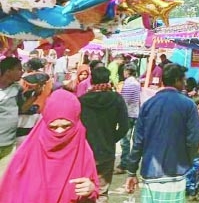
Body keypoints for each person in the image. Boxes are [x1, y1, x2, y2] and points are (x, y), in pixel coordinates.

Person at [0, 89, 99, 203]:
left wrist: (90, 189)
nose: (60, 132)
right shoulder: (25, 155)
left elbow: (93, 190)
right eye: (53, 127)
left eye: (66, 126)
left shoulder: (84, 153)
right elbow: (9, 194)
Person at [125, 64, 199, 203]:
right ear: (177, 80)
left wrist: (131, 171)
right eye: (183, 80)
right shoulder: (188, 105)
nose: (184, 83)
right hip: (176, 173)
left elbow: (138, 141)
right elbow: (193, 140)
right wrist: (189, 162)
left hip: (150, 173)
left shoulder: (148, 105)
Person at [79, 66, 129, 202]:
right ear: (108, 79)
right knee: (102, 193)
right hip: (106, 151)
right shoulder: (117, 99)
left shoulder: (82, 100)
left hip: (85, 152)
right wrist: (112, 138)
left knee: (84, 191)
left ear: (91, 80)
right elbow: (125, 126)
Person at [117, 62, 141, 174]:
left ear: (127, 72)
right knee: (134, 140)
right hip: (136, 113)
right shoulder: (137, 83)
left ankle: (124, 164)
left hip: (128, 114)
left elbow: (124, 101)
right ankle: (132, 162)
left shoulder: (128, 84)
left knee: (125, 141)